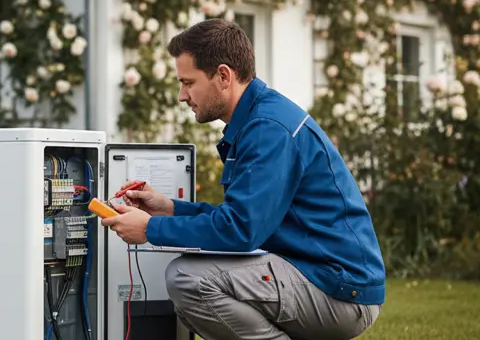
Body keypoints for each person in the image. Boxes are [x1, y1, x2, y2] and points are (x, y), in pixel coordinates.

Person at [101, 18, 385, 340]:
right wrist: (168, 208)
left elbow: (241, 231)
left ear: (223, 76)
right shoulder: (257, 119)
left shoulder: (268, 128)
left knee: (189, 279)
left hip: (337, 287)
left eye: (188, 82)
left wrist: (150, 229)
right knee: (195, 278)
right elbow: (240, 218)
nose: (182, 95)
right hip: (319, 275)